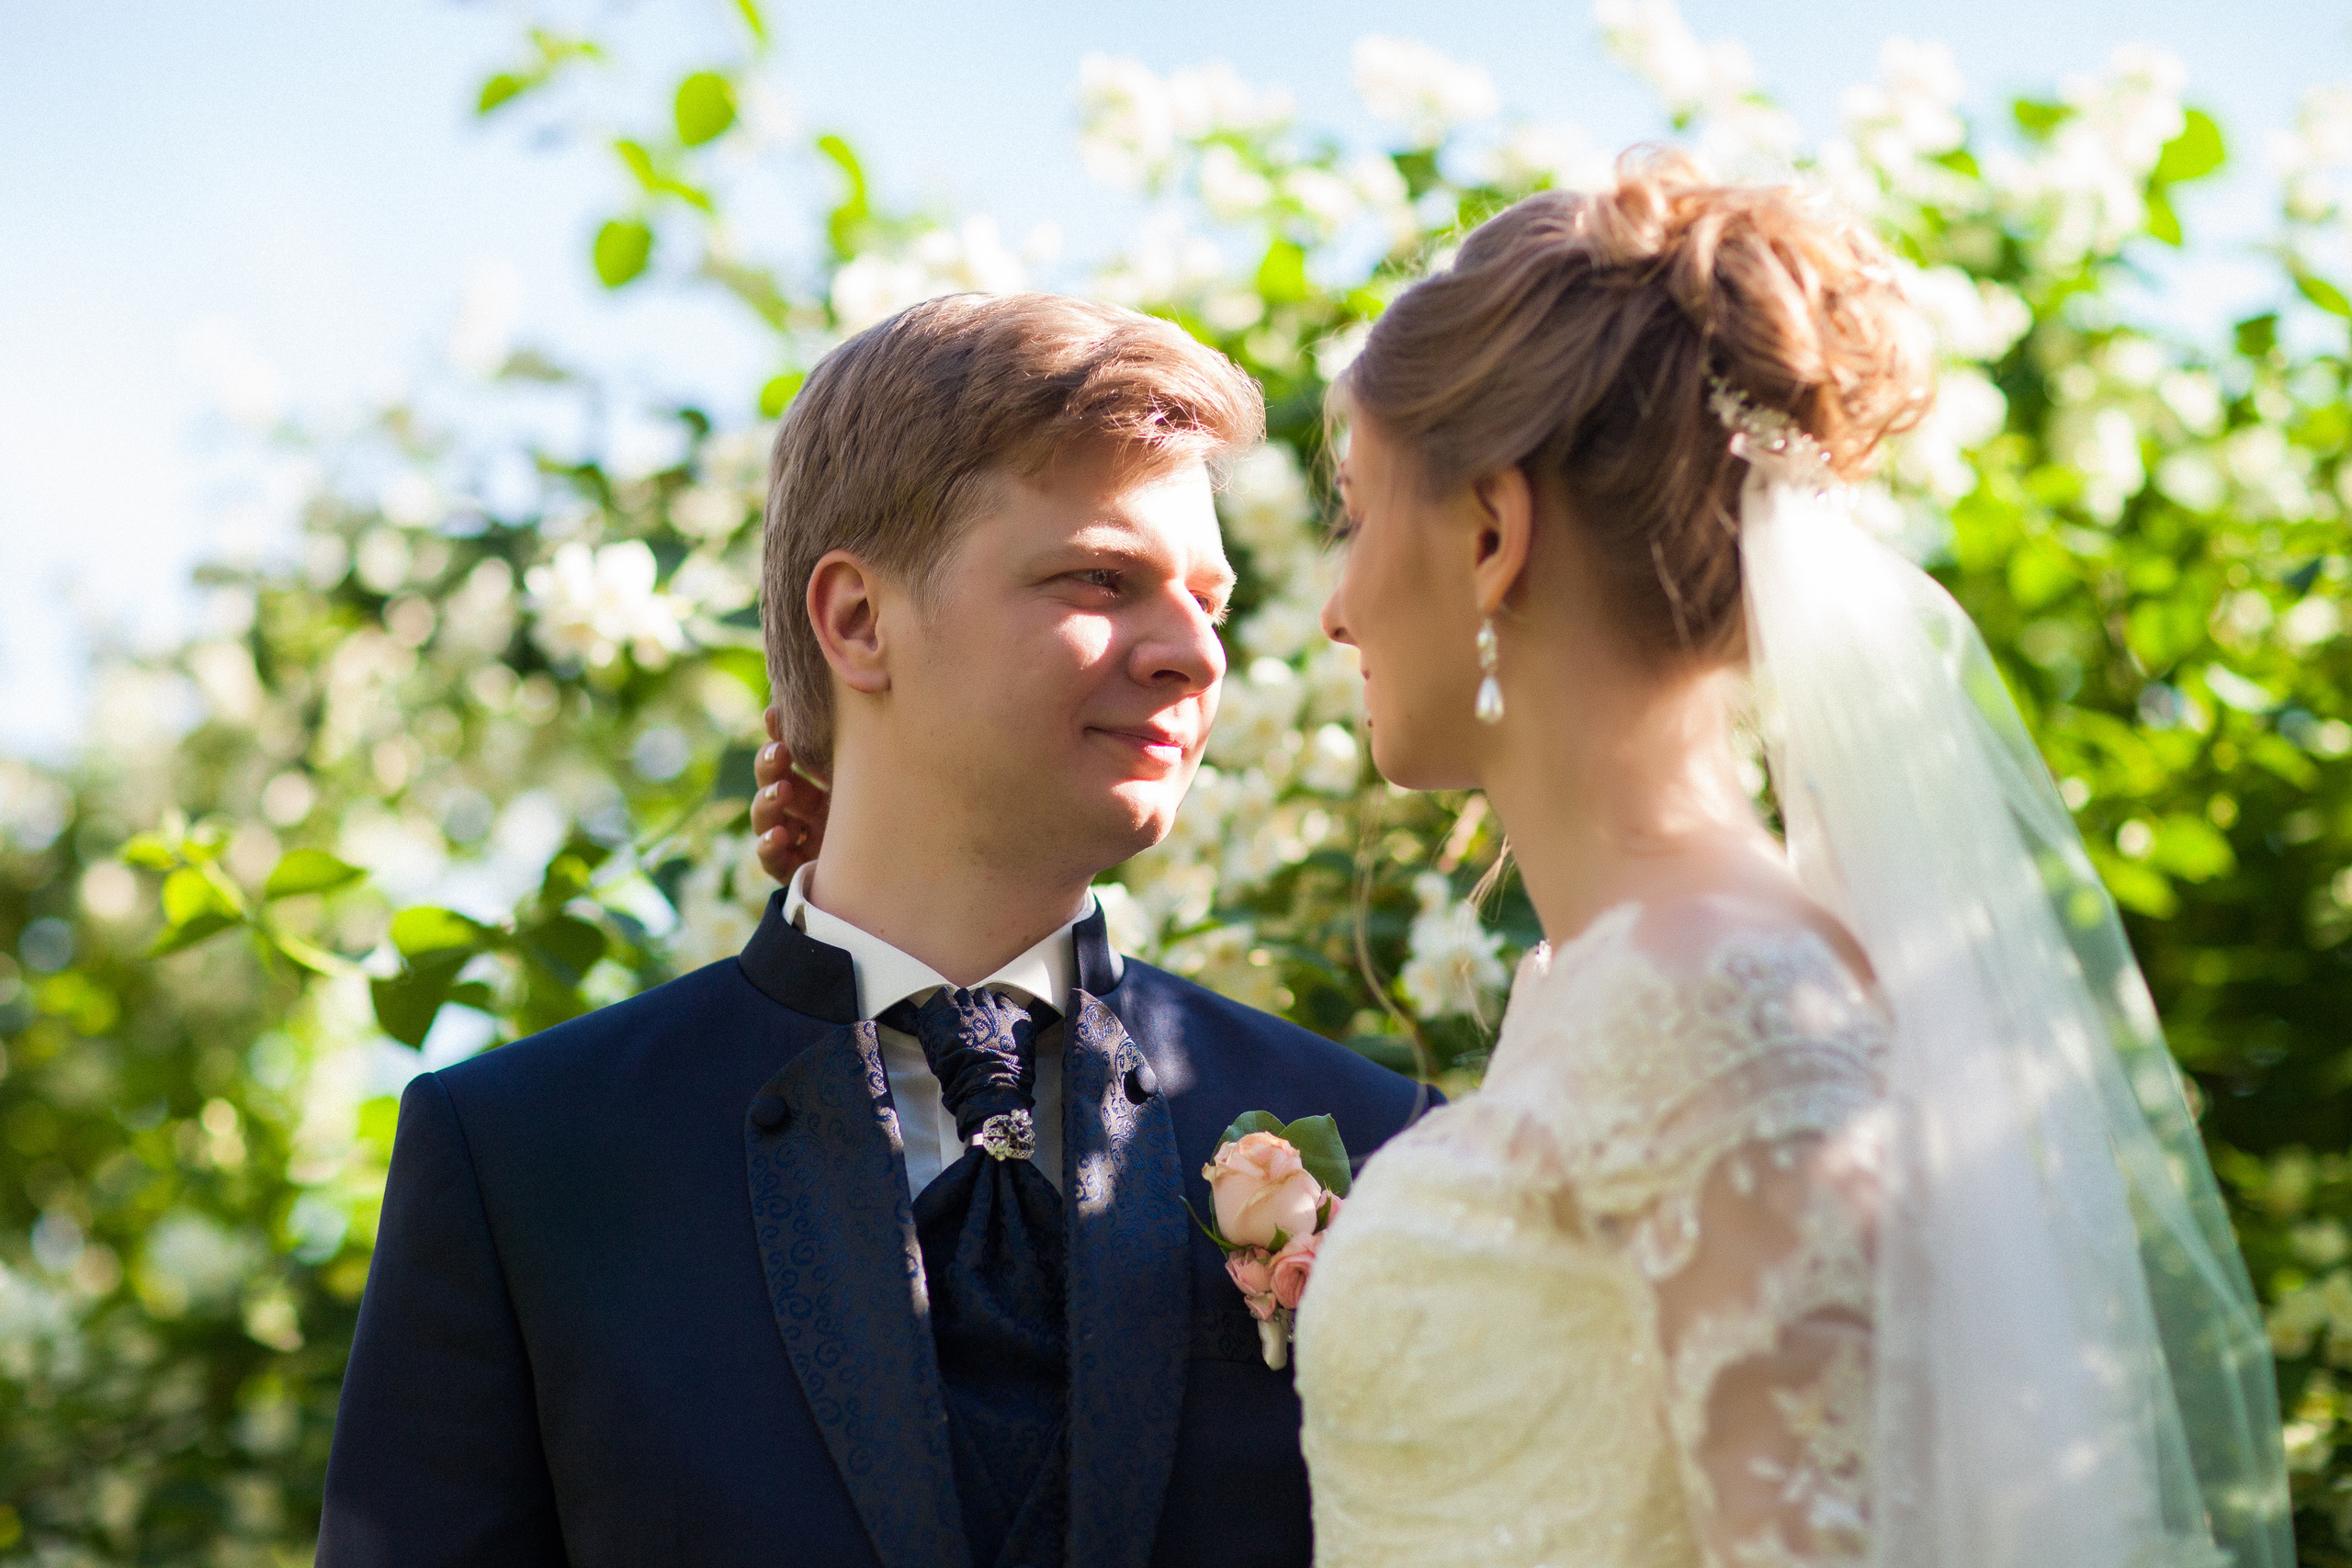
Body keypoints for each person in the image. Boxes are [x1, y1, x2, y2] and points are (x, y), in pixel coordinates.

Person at [1283, 152, 2292, 1568]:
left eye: (1356, 512)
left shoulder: (1711, 998)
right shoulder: (1616, 980)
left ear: (1494, 533)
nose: (1336, 607)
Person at [318, 293, 1430, 1568]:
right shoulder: (525, 1158)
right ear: (857, 620)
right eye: (1101, 579)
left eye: (1210, 602)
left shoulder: (1382, 1148)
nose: (1193, 653)